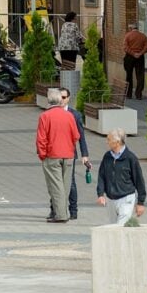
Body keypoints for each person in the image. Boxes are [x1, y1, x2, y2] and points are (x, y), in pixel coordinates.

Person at [36, 88, 80, 223]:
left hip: (52, 155)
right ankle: (63, 212)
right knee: (65, 185)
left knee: (56, 186)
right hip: (68, 155)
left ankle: (60, 215)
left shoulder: (45, 116)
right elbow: (76, 136)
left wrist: (42, 155)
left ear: (49, 101)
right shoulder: (69, 115)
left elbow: (41, 139)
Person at [46, 87, 89, 221]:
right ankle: (54, 210)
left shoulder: (74, 115)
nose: (62, 100)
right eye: (60, 97)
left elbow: (80, 136)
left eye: (64, 97)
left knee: (70, 183)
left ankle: (73, 210)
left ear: (68, 99)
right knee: (55, 183)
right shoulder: (51, 113)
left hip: (70, 153)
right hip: (55, 153)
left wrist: (85, 154)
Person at [96, 128, 146, 225]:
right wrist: (100, 194)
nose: (107, 142)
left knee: (120, 227)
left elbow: (139, 180)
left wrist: (140, 203)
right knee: (113, 226)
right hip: (111, 199)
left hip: (126, 198)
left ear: (117, 142)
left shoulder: (131, 158)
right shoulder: (107, 156)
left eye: (109, 139)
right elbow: (101, 176)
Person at [122, 23, 147, 100]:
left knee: (129, 75)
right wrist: (140, 53)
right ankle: (138, 94)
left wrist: (133, 53)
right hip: (140, 57)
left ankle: (129, 94)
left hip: (129, 57)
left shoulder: (127, 35)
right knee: (140, 75)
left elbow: (125, 47)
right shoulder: (143, 36)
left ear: (131, 28)